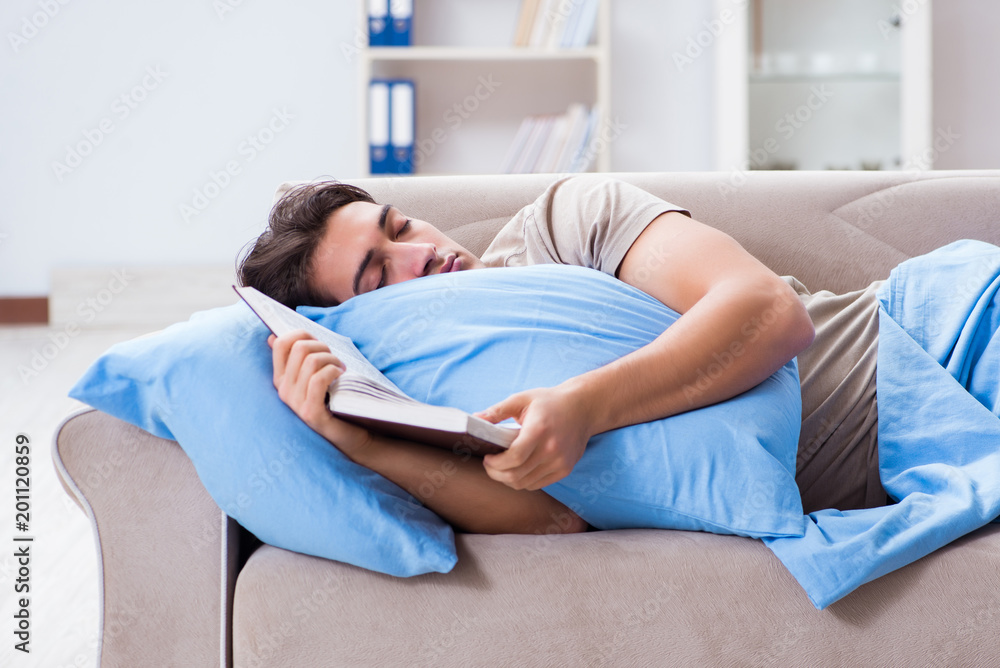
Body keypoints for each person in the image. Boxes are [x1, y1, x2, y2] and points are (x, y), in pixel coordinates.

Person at [237, 176, 856, 536]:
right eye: (377, 279)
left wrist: (584, 406)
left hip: (912, 346)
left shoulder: (565, 223)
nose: (418, 254)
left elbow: (771, 312)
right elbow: (557, 524)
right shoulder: (429, 390)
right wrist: (355, 441)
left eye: (400, 229)